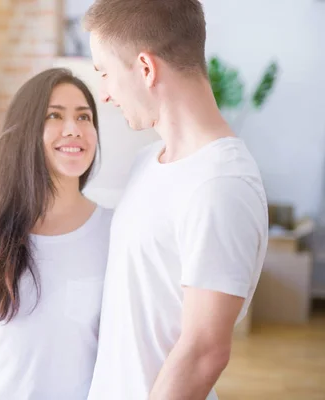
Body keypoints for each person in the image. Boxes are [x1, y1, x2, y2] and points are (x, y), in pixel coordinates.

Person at [83, 1, 269, 399]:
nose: (105, 94)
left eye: (105, 73)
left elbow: (205, 353)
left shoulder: (220, 185)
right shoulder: (147, 162)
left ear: (146, 68)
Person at [0, 68, 113, 400]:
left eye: (84, 117)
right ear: (26, 131)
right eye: (54, 116)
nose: (73, 129)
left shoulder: (115, 231)